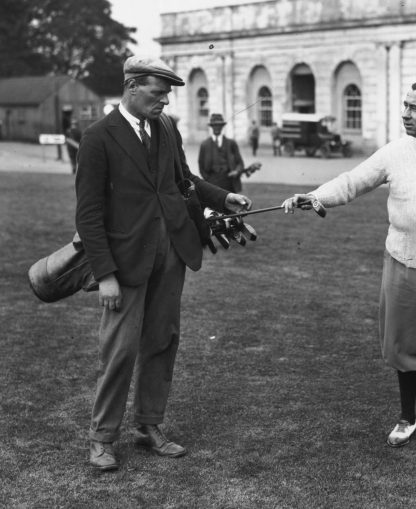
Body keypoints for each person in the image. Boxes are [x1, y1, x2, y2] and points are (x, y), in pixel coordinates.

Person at [282, 80, 416, 467]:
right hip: (401, 261)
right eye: (404, 106)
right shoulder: (395, 151)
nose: (405, 114)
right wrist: (316, 196)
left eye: (414, 109)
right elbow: (354, 181)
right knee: (404, 344)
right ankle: (407, 417)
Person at [75, 56, 252, 472]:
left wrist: (222, 197)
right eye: (158, 93)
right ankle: (102, 437)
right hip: (124, 262)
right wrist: (105, 275)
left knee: (162, 341)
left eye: (168, 94)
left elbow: (183, 181)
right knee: (119, 350)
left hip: (171, 253)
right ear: (132, 86)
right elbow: (88, 214)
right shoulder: (98, 137)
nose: (165, 101)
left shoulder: (166, 128)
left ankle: (149, 424)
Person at [198, 113, 259, 193]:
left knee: (229, 204)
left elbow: (240, 163)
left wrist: (236, 171)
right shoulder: (205, 145)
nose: (217, 128)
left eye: (219, 125)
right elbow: (201, 165)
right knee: (212, 205)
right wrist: (207, 179)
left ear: (222, 127)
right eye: (214, 125)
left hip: (228, 182)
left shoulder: (231, 143)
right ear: (211, 127)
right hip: (211, 182)